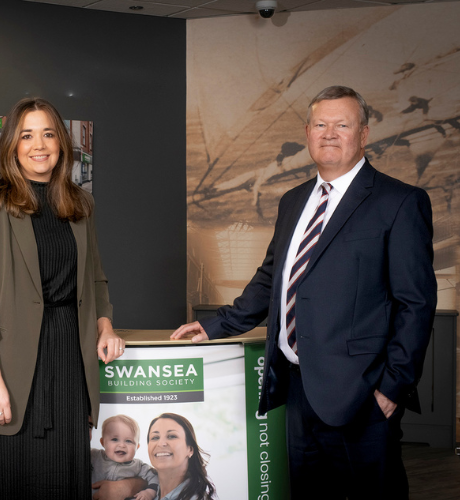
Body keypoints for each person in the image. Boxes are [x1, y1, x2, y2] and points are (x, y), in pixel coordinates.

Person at [172, 86, 437, 499]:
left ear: (363, 134)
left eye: (342, 125)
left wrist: (391, 388)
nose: (329, 133)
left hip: (362, 396)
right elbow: (272, 278)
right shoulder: (294, 201)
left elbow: (416, 304)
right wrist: (215, 325)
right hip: (297, 391)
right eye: (320, 124)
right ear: (307, 132)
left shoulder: (400, 202)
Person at [0, 97, 127, 499]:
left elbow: (95, 279)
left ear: (61, 143)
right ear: (12, 144)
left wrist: (105, 325)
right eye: (27, 135)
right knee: (8, 477)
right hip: (7, 362)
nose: (39, 144)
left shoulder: (81, 204)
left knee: (62, 477)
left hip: (67, 358)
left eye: (48, 133)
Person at [146, 413, 215, 500]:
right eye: (155, 437)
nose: (161, 443)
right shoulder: (142, 490)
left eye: (172, 436)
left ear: (190, 450)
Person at [91, 415, 159, 500]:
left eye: (128, 441)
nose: (122, 445)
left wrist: (149, 492)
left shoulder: (139, 466)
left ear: (137, 447)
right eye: (115, 439)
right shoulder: (94, 456)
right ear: (102, 442)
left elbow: (155, 477)